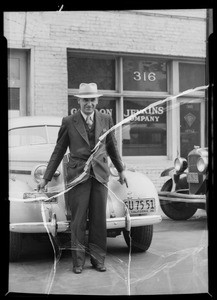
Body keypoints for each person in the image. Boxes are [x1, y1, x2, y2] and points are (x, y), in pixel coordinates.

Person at [37, 83, 128, 274]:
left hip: (100, 174)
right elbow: (58, 151)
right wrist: (46, 178)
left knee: (98, 220)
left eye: (92, 100)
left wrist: (121, 170)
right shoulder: (69, 121)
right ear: (79, 101)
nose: (89, 104)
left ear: (97, 101)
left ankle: (98, 260)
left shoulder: (106, 119)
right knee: (78, 220)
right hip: (78, 175)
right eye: (85, 100)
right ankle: (78, 262)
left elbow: (112, 147)